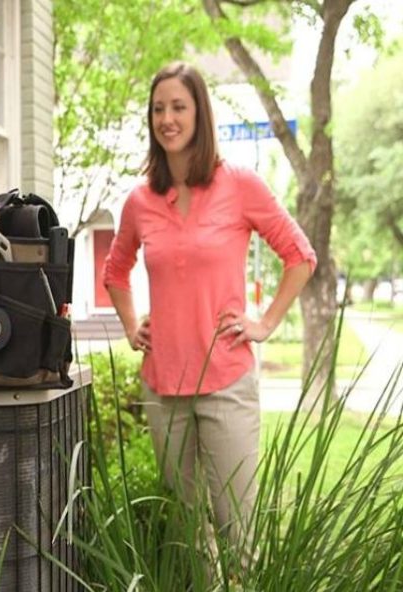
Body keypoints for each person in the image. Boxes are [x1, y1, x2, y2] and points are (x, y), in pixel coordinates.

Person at [103, 62, 316, 560]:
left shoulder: (239, 184)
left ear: (200, 113)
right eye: (158, 109)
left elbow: (300, 256)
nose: (167, 119)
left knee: (238, 530)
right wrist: (132, 326)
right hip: (163, 387)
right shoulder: (140, 200)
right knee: (189, 535)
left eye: (179, 107)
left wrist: (265, 323)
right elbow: (115, 271)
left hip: (226, 381)